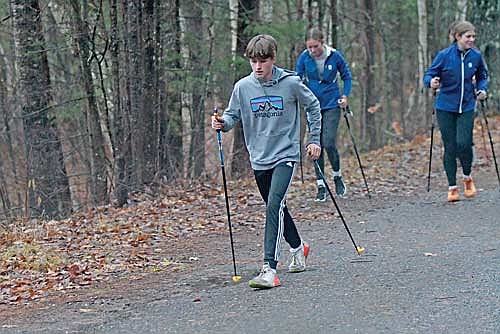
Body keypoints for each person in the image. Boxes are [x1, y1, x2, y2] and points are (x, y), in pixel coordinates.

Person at [212, 34, 322, 289]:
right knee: (278, 206)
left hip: (285, 154)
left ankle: (269, 269)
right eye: (253, 61)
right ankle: (298, 247)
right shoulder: (243, 87)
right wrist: (221, 124)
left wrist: (313, 139)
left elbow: (313, 106)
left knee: (274, 205)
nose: (258, 66)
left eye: (263, 61)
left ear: (273, 59)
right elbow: (231, 116)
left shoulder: (291, 83)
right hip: (259, 157)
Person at [423, 21, 488, 202]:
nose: (472, 40)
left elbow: (483, 75)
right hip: (445, 106)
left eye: (473, 36)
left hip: (467, 105)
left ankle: (467, 177)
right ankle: (452, 187)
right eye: (468, 36)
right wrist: (432, 82)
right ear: (458, 37)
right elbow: (429, 74)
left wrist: (482, 90)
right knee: (450, 146)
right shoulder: (444, 56)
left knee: (464, 143)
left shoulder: (475, 56)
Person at [296, 27, 353, 201]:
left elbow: (347, 76)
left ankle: (337, 176)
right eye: (310, 47)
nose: (312, 51)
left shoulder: (335, 56)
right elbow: (297, 78)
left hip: (332, 103)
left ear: (322, 42)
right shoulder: (304, 57)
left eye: (315, 46)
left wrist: (345, 96)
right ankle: (321, 185)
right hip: (313, 105)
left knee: (328, 142)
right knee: (316, 145)